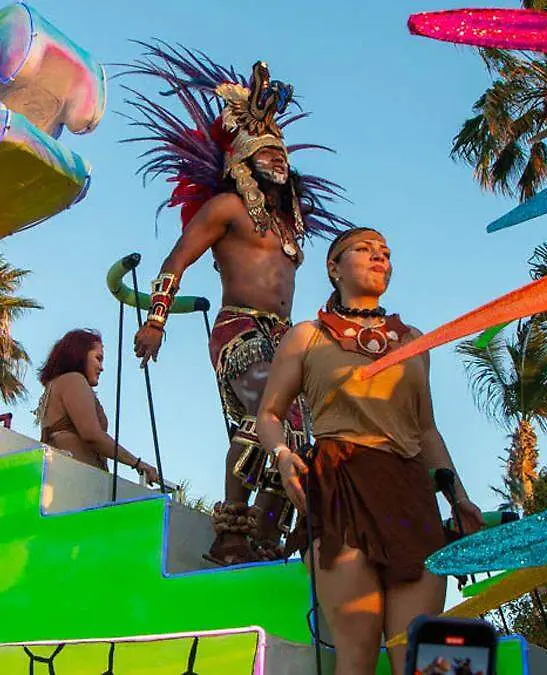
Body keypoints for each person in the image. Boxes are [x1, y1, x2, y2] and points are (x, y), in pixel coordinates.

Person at [123, 47, 353, 565]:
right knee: (264, 417)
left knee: (296, 430)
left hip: (288, 336)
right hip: (239, 328)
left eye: (281, 154)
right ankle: (229, 531)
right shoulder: (226, 208)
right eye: (264, 154)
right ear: (241, 162)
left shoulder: (290, 227)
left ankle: (265, 542)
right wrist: (156, 320)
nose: (277, 159)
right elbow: (176, 259)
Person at [255, 228, 486, 675]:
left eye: (385, 252)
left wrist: (458, 496)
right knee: (357, 650)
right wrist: (283, 455)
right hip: (341, 487)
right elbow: (269, 413)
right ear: (333, 267)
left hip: (409, 493)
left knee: (419, 654)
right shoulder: (307, 335)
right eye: (365, 249)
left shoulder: (414, 340)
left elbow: (427, 430)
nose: (379, 257)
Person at [36, 329, 160, 485]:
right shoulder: (73, 380)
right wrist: (137, 463)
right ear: (79, 354)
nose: (101, 367)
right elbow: (91, 434)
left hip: (63, 481)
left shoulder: (57, 385)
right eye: (98, 358)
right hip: (74, 485)